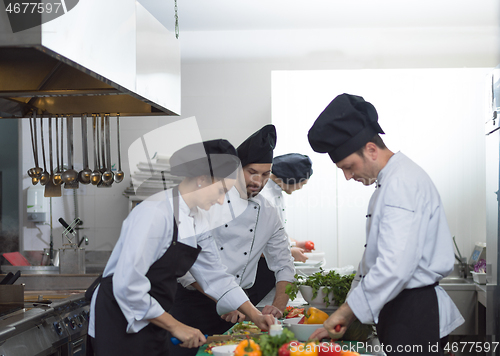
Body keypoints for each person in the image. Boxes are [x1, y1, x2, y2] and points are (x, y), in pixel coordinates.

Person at [307, 94, 464, 355]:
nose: (347, 176)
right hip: (402, 309)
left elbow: (394, 264)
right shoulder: (391, 181)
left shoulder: (401, 183)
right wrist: (348, 312)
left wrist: (347, 312)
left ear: (370, 149)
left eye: (348, 166)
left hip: (413, 312)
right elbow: (373, 259)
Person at [87, 139, 275, 356]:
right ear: (202, 180)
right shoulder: (154, 213)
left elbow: (215, 276)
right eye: (221, 191)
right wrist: (175, 325)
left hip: (154, 314)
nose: (222, 201)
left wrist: (255, 315)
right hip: (119, 317)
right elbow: (127, 284)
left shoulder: (198, 218)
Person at [170, 125, 296, 356]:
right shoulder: (201, 203)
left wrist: (269, 310)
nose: (259, 181)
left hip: (236, 306)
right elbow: (188, 270)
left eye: (266, 174)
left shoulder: (268, 212)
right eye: (252, 172)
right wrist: (231, 303)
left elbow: (283, 264)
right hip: (192, 306)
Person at [260, 153, 314, 262]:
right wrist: (288, 252)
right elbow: (257, 244)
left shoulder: (276, 191)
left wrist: (294, 243)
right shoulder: (265, 197)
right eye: (302, 184)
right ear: (292, 178)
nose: (300, 188)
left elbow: (273, 235)